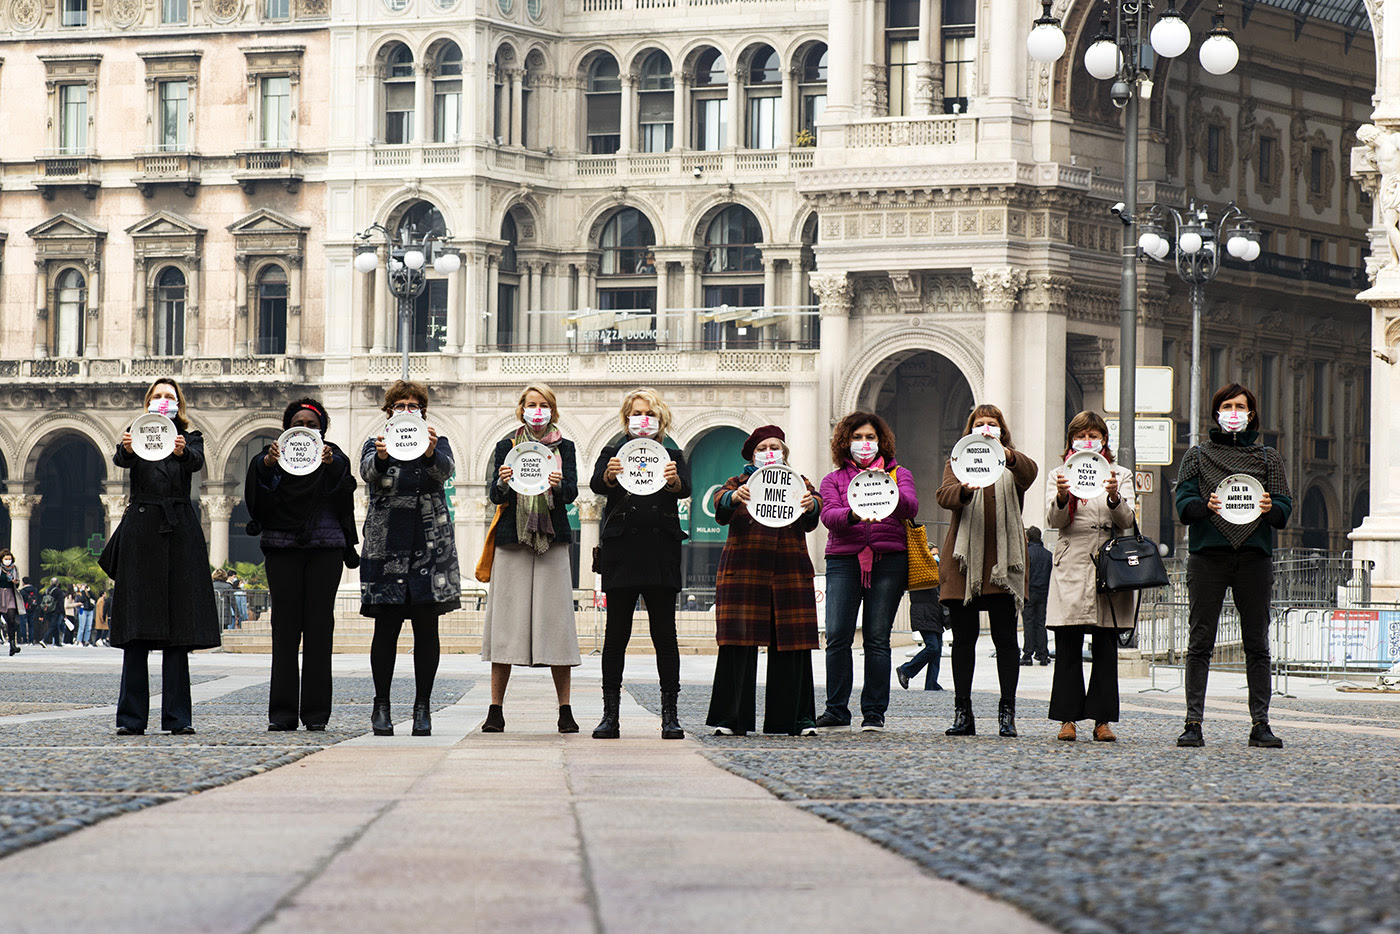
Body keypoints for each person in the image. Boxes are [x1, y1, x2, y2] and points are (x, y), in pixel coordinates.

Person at [1174, 383, 1292, 749]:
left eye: (1241, 406)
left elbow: (1285, 509)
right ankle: (1193, 722)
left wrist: (1270, 507)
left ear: (1252, 414)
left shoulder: (1269, 458)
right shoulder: (1196, 456)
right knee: (1199, 643)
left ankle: (1261, 722)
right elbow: (1183, 505)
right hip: (1208, 557)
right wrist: (1203, 506)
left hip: (1253, 559)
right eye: (1227, 405)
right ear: (1217, 413)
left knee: (1257, 643)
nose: (1234, 411)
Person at [101, 377, 221, 735]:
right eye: (157, 396)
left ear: (178, 404)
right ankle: (131, 718)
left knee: (178, 628)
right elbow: (120, 460)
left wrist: (183, 450)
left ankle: (178, 717)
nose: (163, 400)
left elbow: (197, 462)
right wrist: (126, 448)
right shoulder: (135, 432)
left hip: (179, 530)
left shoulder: (190, 435)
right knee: (136, 628)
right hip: (141, 530)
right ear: (147, 401)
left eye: (169, 396)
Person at [245, 397, 360, 732]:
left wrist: (332, 466)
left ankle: (316, 714)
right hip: (282, 548)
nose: (305, 428)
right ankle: (281, 713)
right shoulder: (271, 458)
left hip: (326, 549)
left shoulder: (335, 457)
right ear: (287, 427)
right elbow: (257, 502)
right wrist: (266, 466)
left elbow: (344, 499)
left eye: (312, 424)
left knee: (320, 629)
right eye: (298, 423)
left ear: (322, 428)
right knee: (284, 629)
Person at [704, 425, 822, 737]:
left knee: (792, 645)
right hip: (744, 570)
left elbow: (814, 513)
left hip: (789, 570)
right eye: (763, 448)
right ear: (752, 454)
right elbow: (719, 505)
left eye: (776, 447)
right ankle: (730, 719)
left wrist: (813, 505)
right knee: (737, 646)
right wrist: (732, 498)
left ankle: (797, 719)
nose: (770, 452)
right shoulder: (738, 482)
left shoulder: (800, 481)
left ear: (784, 453)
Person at [360, 379, 460, 738]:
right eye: (400, 405)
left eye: (413, 405)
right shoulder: (375, 444)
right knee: (385, 630)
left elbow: (445, 473)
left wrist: (431, 452)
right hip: (386, 546)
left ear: (423, 411)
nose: (407, 410)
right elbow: (367, 473)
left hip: (429, 547)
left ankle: (422, 707)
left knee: (426, 629)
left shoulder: (438, 443)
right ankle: (381, 705)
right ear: (389, 412)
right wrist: (383, 456)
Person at [589, 387, 690, 740]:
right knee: (616, 636)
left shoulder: (673, 451)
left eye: (648, 413)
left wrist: (675, 480)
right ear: (626, 418)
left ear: (660, 417)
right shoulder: (612, 450)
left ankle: (670, 715)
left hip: (661, 552)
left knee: (665, 636)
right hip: (622, 554)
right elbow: (595, 484)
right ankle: (610, 715)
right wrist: (608, 474)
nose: (642, 419)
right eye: (636, 413)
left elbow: (686, 487)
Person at [481, 384, 582, 734]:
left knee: (557, 624)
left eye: (544, 405)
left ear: (552, 411)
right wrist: (504, 482)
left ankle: (565, 710)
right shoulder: (505, 447)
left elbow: (571, 492)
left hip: (552, 537)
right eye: (531, 404)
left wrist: (557, 484)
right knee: (505, 624)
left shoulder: (564, 447)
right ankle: (495, 709)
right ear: (521, 408)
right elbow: (494, 494)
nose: (537, 411)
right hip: (513, 537)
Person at [937, 404, 1039, 738]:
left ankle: (1007, 713)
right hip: (964, 562)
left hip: (1003, 564)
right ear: (969, 430)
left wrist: (1007, 454)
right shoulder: (957, 462)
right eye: (979, 423)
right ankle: (963, 712)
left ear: (1002, 431)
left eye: (991, 424)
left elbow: (1031, 472)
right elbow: (944, 496)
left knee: (1006, 640)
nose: (985, 428)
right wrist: (965, 490)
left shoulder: (1011, 464)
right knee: (962, 641)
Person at [816, 411, 918, 732]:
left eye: (870, 437)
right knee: (837, 636)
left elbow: (911, 506)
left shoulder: (899, 473)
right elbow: (829, 515)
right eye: (857, 437)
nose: (864, 443)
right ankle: (836, 709)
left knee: (877, 639)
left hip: (889, 560)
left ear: (881, 441)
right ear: (846, 442)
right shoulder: (833, 480)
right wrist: (854, 514)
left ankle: (874, 712)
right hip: (844, 561)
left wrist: (887, 491)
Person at [1044, 412, 1137, 742]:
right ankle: (1067, 719)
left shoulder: (1120, 474)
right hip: (1072, 559)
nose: (1088, 440)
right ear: (1070, 440)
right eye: (1081, 434)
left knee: (1105, 644)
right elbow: (1053, 520)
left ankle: (1103, 720)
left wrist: (1114, 496)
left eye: (1094, 434)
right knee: (1068, 644)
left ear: (1104, 440)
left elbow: (1127, 519)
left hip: (1108, 559)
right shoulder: (1059, 474)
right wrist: (1062, 495)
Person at [897, 547, 944, 691]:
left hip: (935, 613)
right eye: (933, 554)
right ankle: (906, 670)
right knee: (932, 647)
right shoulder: (921, 570)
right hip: (924, 613)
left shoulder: (936, 570)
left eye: (937, 554)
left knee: (937, 650)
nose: (936, 557)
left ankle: (931, 683)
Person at [1020, 528, 1052, 666]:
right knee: (1041, 622)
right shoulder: (1048, 555)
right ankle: (1043, 654)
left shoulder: (1026, 554)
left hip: (1029, 591)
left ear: (1027, 538)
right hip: (1044, 592)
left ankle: (1028, 654)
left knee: (1028, 622)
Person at [0, 548, 21, 656]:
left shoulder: (14, 568)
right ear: (2, 559)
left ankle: (12, 645)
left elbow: (18, 583)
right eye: (6, 559)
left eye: (10, 559)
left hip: (10, 594)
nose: (8, 560)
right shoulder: (0, 568)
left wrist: (16, 582)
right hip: (0, 593)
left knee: (11, 620)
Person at [19, 577, 37, 645]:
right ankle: (31, 640)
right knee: (31, 625)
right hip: (32, 609)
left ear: (23, 582)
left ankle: (24, 640)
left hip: (24, 609)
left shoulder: (22, 591)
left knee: (23, 625)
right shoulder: (34, 590)